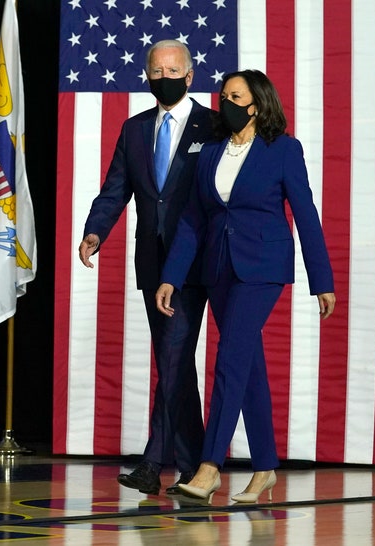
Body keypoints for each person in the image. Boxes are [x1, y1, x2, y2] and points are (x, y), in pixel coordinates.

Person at [155, 69, 336, 503]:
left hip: (263, 268)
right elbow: (194, 220)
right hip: (218, 269)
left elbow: (306, 214)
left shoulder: (283, 150)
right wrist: (171, 276)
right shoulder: (212, 150)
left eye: (236, 96)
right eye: (223, 96)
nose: (226, 103)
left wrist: (322, 280)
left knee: (229, 359)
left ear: (257, 105)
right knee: (247, 366)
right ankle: (265, 468)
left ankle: (210, 465)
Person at [78, 40, 215, 495]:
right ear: (147, 76)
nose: (164, 76)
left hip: (194, 264)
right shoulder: (135, 129)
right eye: (156, 70)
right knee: (174, 364)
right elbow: (115, 189)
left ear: (190, 75)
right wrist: (96, 232)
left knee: (174, 358)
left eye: (173, 69)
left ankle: (153, 463)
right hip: (151, 264)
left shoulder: (211, 126)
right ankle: (195, 467)